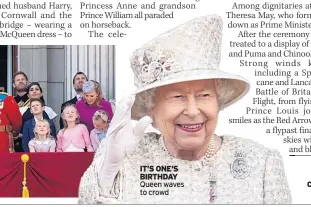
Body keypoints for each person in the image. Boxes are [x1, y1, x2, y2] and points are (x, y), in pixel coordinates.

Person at [78, 15, 291, 204]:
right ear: (151, 108)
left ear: (218, 101)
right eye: (177, 97)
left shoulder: (262, 163)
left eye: (204, 95)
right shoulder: (123, 158)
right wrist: (108, 171)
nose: (192, 110)